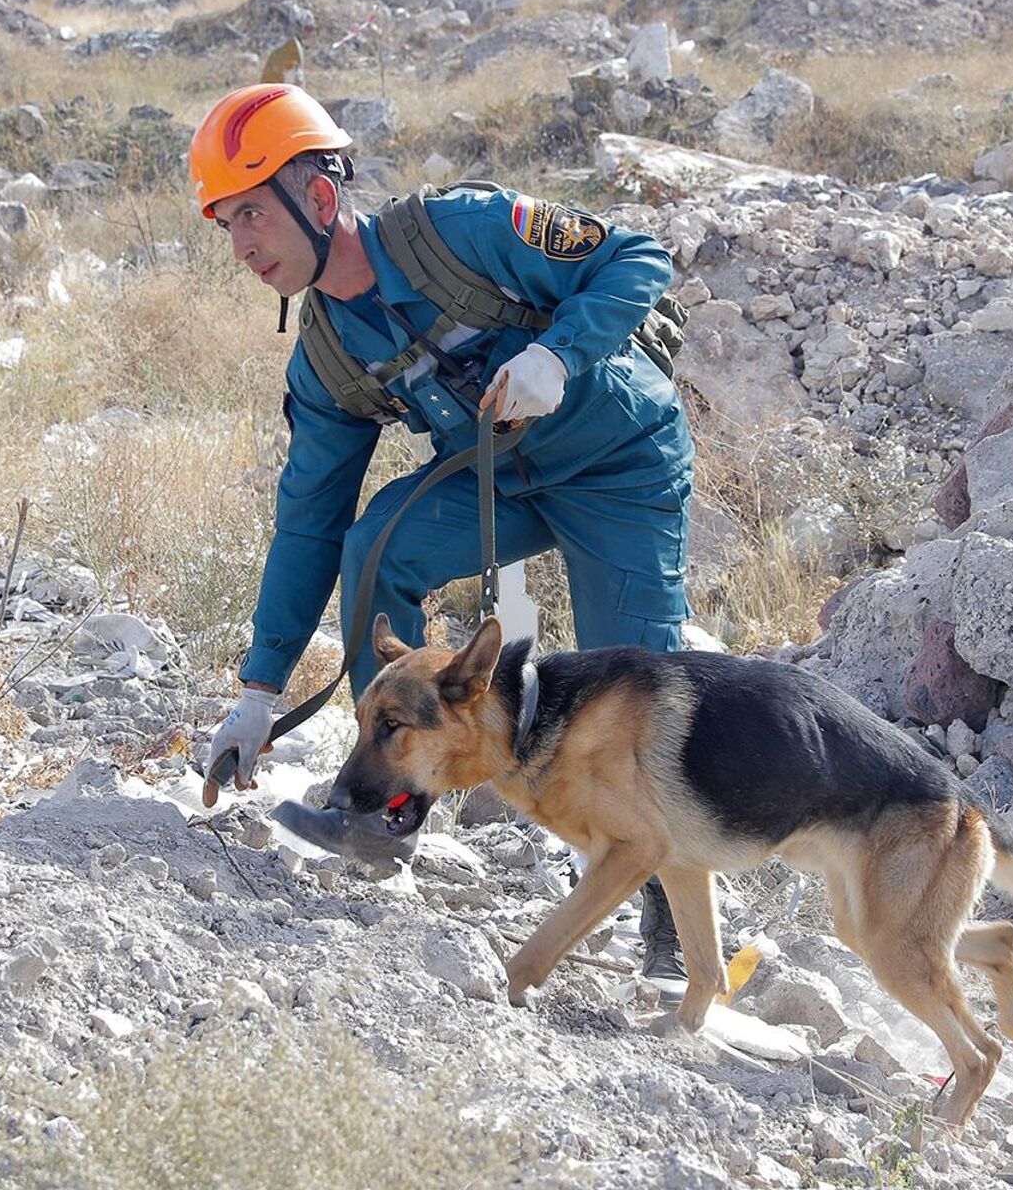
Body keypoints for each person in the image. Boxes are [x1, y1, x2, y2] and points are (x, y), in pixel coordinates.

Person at [191, 83, 694, 1000]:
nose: (242, 247)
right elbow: (309, 519)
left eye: (254, 214)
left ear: (317, 197)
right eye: (225, 225)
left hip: (618, 464)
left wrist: (559, 353)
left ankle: (671, 917)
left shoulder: (457, 230)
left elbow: (636, 255)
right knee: (376, 544)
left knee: (640, 681)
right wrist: (259, 692)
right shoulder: (329, 356)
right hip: (502, 479)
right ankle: (383, 807)